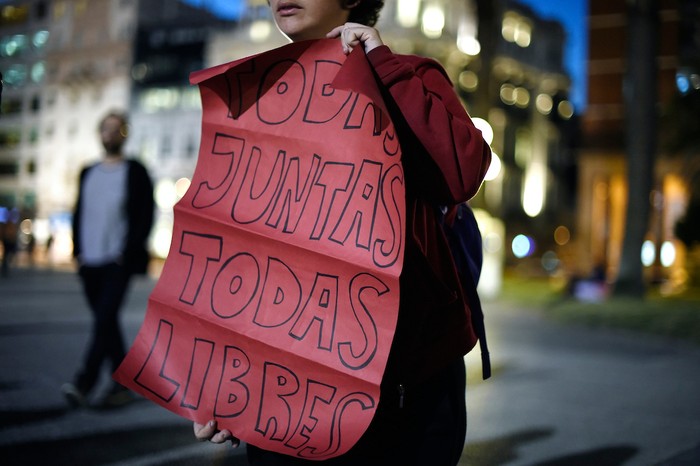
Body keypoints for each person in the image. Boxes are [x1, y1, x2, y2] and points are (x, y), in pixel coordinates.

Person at [194, 1, 492, 464]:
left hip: (407, 384)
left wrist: (382, 65)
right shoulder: (257, 97)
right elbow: (238, 250)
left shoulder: (407, 74)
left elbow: (461, 171)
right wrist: (222, 375)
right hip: (287, 388)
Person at [62, 111, 155, 409]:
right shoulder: (87, 171)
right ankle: (121, 384)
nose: (110, 134)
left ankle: (84, 381)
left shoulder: (136, 170)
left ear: (125, 134)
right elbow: (79, 211)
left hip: (118, 261)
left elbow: (145, 215)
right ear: (99, 133)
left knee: (104, 319)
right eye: (105, 128)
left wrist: (128, 251)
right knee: (107, 323)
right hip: (89, 260)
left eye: (116, 129)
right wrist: (77, 251)